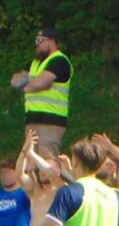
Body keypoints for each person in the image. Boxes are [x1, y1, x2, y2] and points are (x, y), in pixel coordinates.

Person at [9, 27, 72, 155]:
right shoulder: (34, 63)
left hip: (51, 121)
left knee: (47, 160)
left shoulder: (59, 61)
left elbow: (39, 83)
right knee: (30, 162)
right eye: (36, 40)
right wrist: (34, 86)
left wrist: (28, 85)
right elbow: (15, 81)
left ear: (52, 42)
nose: (37, 43)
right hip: (32, 120)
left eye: (40, 40)